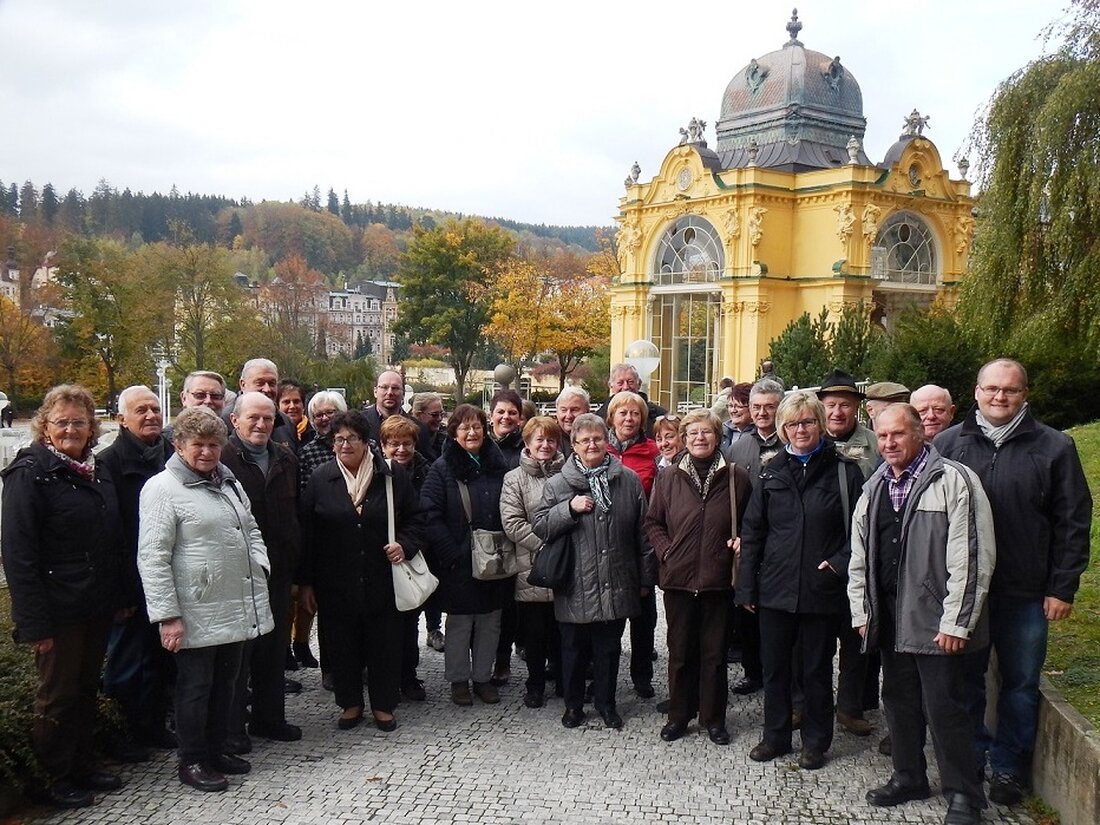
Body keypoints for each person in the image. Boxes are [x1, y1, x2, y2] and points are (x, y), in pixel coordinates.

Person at [935, 358, 1092, 806]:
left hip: (1025, 590)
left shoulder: (1055, 447)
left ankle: (1008, 767)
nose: (999, 396)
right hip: (966, 592)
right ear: (976, 391)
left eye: (1010, 389)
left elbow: (1073, 521)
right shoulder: (949, 444)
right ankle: (969, 761)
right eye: (991, 388)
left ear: (1025, 395)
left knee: (1020, 685)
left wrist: (1062, 587)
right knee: (965, 682)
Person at [850, 404, 995, 825]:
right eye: (882, 436)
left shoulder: (954, 480)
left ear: (919, 434)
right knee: (899, 702)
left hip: (936, 620)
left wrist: (957, 621)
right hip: (890, 617)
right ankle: (909, 776)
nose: (889, 443)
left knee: (946, 709)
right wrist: (862, 610)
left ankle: (964, 795)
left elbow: (972, 556)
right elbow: (860, 556)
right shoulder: (875, 486)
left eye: (898, 434)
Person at [138, 406, 274, 793]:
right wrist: (167, 615)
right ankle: (192, 759)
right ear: (179, 445)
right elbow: (152, 557)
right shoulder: (162, 489)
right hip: (193, 608)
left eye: (214, 445)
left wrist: (259, 564)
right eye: (198, 444)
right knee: (195, 688)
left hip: (233, 602)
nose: (206, 452)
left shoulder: (228, 482)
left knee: (226, 685)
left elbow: (250, 528)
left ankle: (217, 749)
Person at [1, 385, 124, 808]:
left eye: (79, 422)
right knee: (57, 694)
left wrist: (117, 596)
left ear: (92, 428)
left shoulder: (94, 469)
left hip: (93, 602)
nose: (71, 429)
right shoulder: (30, 473)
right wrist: (34, 623)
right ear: (45, 426)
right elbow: (19, 554)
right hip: (57, 609)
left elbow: (109, 539)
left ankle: (82, 764)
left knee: (86, 688)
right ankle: (52, 778)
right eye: (62, 422)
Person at [736, 390, 863, 771]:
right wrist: (747, 586)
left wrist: (839, 564)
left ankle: (815, 742)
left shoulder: (844, 472)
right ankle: (775, 737)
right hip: (775, 589)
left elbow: (861, 531)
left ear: (820, 424)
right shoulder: (771, 471)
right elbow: (753, 531)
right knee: (775, 670)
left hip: (821, 589)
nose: (800, 430)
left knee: (816, 671)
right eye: (792, 424)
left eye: (807, 422)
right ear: (783, 429)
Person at [298, 410, 423, 732]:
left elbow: (416, 519)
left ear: (366, 441)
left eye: (352, 438)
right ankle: (350, 703)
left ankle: (383, 705)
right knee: (341, 644)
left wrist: (405, 545)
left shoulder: (391, 475)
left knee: (384, 643)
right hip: (335, 580)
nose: (345, 444)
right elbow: (308, 533)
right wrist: (306, 582)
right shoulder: (321, 478)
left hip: (383, 576)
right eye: (338, 439)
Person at [534, 413, 655, 731]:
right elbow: (541, 526)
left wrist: (645, 578)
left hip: (616, 579)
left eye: (597, 438)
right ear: (573, 445)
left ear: (607, 441)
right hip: (575, 583)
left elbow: (643, 533)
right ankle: (573, 706)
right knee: (573, 650)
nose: (592, 444)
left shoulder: (627, 480)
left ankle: (606, 704)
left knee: (609, 650)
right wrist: (568, 509)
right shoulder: (558, 483)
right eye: (584, 440)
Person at [645, 409, 750, 746]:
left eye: (706, 432)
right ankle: (679, 715)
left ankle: (713, 718)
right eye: (692, 433)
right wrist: (667, 552)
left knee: (715, 655)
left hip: (718, 580)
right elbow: (653, 522)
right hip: (678, 579)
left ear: (717, 437)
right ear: (684, 439)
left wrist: (741, 541)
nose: (699, 438)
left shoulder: (736, 477)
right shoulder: (668, 477)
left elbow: (751, 522)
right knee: (679, 653)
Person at [220, 392, 302, 746]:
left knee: (273, 648)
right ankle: (232, 729)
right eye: (253, 417)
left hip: (278, 570)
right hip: (239, 573)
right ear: (235, 420)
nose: (261, 424)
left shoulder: (285, 458)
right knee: (238, 656)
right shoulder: (222, 458)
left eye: (268, 418)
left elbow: (296, 512)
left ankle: (269, 719)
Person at [99, 386, 176, 761]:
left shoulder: (172, 455)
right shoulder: (109, 463)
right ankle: (122, 736)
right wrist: (121, 590)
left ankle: (154, 726)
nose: (150, 416)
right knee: (126, 665)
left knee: (162, 659)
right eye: (141, 410)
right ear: (122, 419)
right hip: (130, 582)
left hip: (167, 578)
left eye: (155, 409)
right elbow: (110, 532)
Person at [420, 404, 510, 706]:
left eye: (477, 426)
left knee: (490, 621)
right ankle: (459, 680)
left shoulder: (497, 464)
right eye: (465, 427)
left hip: (494, 556)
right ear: (454, 432)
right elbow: (430, 514)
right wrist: (451, 552)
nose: (472, 433)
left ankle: (483, 678)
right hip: (458, 558)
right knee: (460, 623)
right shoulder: (442, 468)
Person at [817, 368, 880, 736]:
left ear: (857, 407)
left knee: (857, 637)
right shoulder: (811, 440)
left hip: (862, 554)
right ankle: (812, 703)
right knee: (815, 640)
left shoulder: (875, 444)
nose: (837, 412)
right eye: (831, 405)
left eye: (844, 405)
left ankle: (851, 706)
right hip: (819, 554)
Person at [725, 378, 785, 697]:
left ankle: (779, 671)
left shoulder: (789, 442)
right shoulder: (739, 447)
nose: (762, 413)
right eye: (756, 407)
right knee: (745, 607)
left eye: (769, 407)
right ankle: (752, 672)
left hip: (781, 539)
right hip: (746, 540)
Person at [500, 416, 566, 709]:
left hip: (564, 566)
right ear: (527, 443)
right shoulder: (514, 478)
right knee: (535, 634)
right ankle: (535, 685)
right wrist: (546, 544)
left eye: (551, 439)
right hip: (532, 565)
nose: (545, 445)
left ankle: (564, 681)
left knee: (563, 632)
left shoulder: (570, 473)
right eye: (539, 439)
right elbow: (512, 523)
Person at [605, 390, 660, 699]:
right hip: (608, 543)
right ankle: (604, 677)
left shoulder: (653, 452)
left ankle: (642, 675)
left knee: (644, 616)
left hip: (643, 541)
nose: (629, 418)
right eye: (622, 413)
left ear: (643, 419)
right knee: (610, 618)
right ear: (611, 417)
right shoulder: (600, 448)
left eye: (635, 413)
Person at [379, 414, 434, 701]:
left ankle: (408, 676)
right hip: (380, 557)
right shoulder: (374, 472)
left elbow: (425, 516)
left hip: (411, 554)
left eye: (407, 444)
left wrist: (407, 545)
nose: (401, 450)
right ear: (383, 446)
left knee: (410, 620)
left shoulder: (427, 472)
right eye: (394, 444)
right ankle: (383, 677)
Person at [291, 389, 347, 673]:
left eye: (330, 413)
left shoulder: (366, 445)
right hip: (324, 540)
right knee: (328, 611)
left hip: (358, 538)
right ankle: (331, 669)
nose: (324, 419)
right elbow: (304, 498)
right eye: (318, 415)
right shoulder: (307, 453)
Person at [236, 359, 297, 453]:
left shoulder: (286, 422)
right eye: (260, 383)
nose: (267, 389)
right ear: (243, 385)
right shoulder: (225, 421)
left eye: (272, 384)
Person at [594, 364, 668, 438]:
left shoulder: (658, 415)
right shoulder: (598, 418)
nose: (626, 387)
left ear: (639, 384)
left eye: (630, 382)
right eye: (620, 383)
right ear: (611, 386)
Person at [363, 370, 410, 443]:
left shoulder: (418, 428)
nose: (389, 393)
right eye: (384, 387)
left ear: (403, 393)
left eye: (395, 388)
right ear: (375, 391)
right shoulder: (358, 424)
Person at [277, 378, 314, 447]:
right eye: (286, 402)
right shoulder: (273, 433)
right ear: (277, 406)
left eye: (296, 401)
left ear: (303, 405)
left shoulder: (314, 433)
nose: (292, 406)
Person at [554, 386, 591, 457]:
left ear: (587, 411)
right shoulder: (548, 438)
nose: (568, 416)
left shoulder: (598, 436)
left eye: (574, 410)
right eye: (564, 410)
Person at [412, 391, 447, 463]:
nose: (439, 418)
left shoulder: (445, 438)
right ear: (418, 414)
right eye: (434, 415)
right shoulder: (408, 439)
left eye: (442, 414)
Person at [721, 383, 755, 450]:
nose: (733, 410)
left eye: (738, 406)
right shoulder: (722, 432)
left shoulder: (760, 435)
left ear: (752, 408)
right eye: (730, 406)